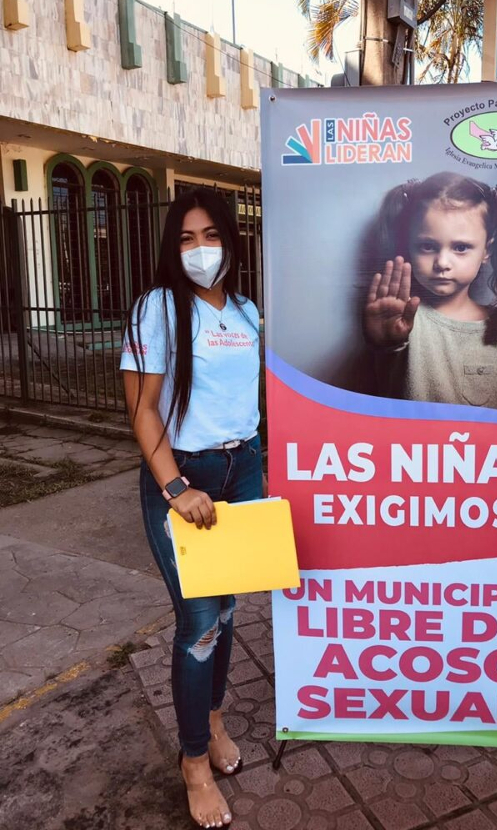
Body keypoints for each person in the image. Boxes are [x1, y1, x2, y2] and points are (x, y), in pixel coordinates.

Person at [121, 188, 264, 829]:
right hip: (187, 476)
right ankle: (194, 763)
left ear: (230, 241)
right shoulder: (158, 308)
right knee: (199, 624)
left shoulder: (246, 311)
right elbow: (143, 410)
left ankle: (211, 716)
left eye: (210, 235)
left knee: (229, 611)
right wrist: (177, 488)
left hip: (244, 469)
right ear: (171, 249)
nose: (199, 249)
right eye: (185, 238)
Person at [363, 171, 497, 416]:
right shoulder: (400, 322)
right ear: (408, 245)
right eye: (428, 246)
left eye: (461, 247)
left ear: (487, 250)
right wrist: (384, 345)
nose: (442, 262)